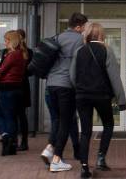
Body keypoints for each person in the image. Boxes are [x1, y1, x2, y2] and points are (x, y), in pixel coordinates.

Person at [71, 23, 126, 178]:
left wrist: (80, 89)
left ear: (87, 34)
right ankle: (101, 158)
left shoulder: (79, 51)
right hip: (102, 96)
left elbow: (72, 76)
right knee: (108, 124)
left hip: (82, 96)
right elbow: (114, 77)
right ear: (102, 35)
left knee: (86, 131)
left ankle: (83, 167)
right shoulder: (106, 51)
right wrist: (121, 100)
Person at [42, 13, 87, 172]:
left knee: (58, 120)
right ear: (79, 26)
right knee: (65, 122)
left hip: (51, 85)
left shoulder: (57, 37)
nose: (84, 30)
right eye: (84, 27)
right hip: (66, 86)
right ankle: (56, 160)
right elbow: (82, 65)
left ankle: (49, 148)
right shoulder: (80, 40)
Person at [0, 30, 28, 156]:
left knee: (3, 115)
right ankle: (12, 143)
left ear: (11, 41)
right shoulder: (22, 54)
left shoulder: (12, 55)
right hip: (17, 88)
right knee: (11, 116)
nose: (5, 43)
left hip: (7, 88)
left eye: (6, 40)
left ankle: (6, 137)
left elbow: (2, 70)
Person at [17, 29, 33, 151]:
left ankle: (15, 141)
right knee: (22, 114)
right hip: (23, 84)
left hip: (16, 85)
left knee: (15, 114)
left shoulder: (9, 52)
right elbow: (31, 70)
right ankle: (24, 141)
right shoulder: (29, 52)